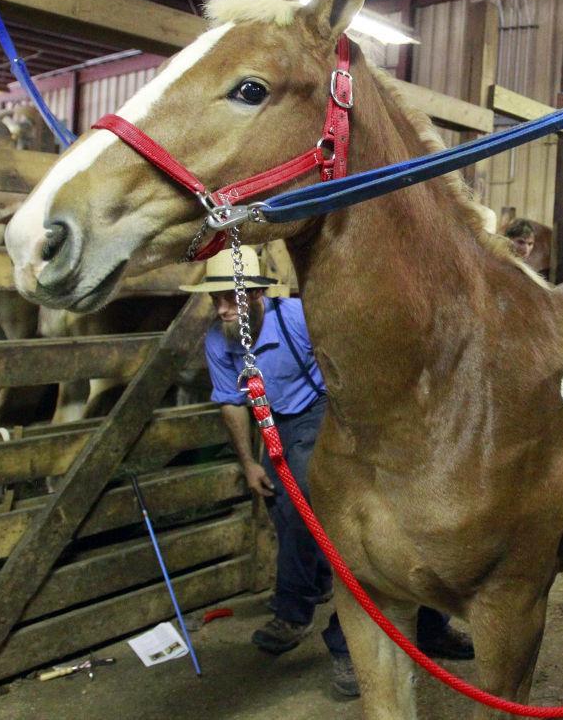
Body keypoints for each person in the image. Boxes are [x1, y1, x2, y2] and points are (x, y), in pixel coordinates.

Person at [182, 248, 473, 699]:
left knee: (348, 520)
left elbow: (355, 363)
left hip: (327, 410)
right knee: (288, 512)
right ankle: (294, 610)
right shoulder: (219, 341)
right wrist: (249, 462)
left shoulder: (298, 317)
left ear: (255, 295)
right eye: (214, 299)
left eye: (229, 298)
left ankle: (380, 636)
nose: (221, 309)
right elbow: (231, 402)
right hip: (278, 423)